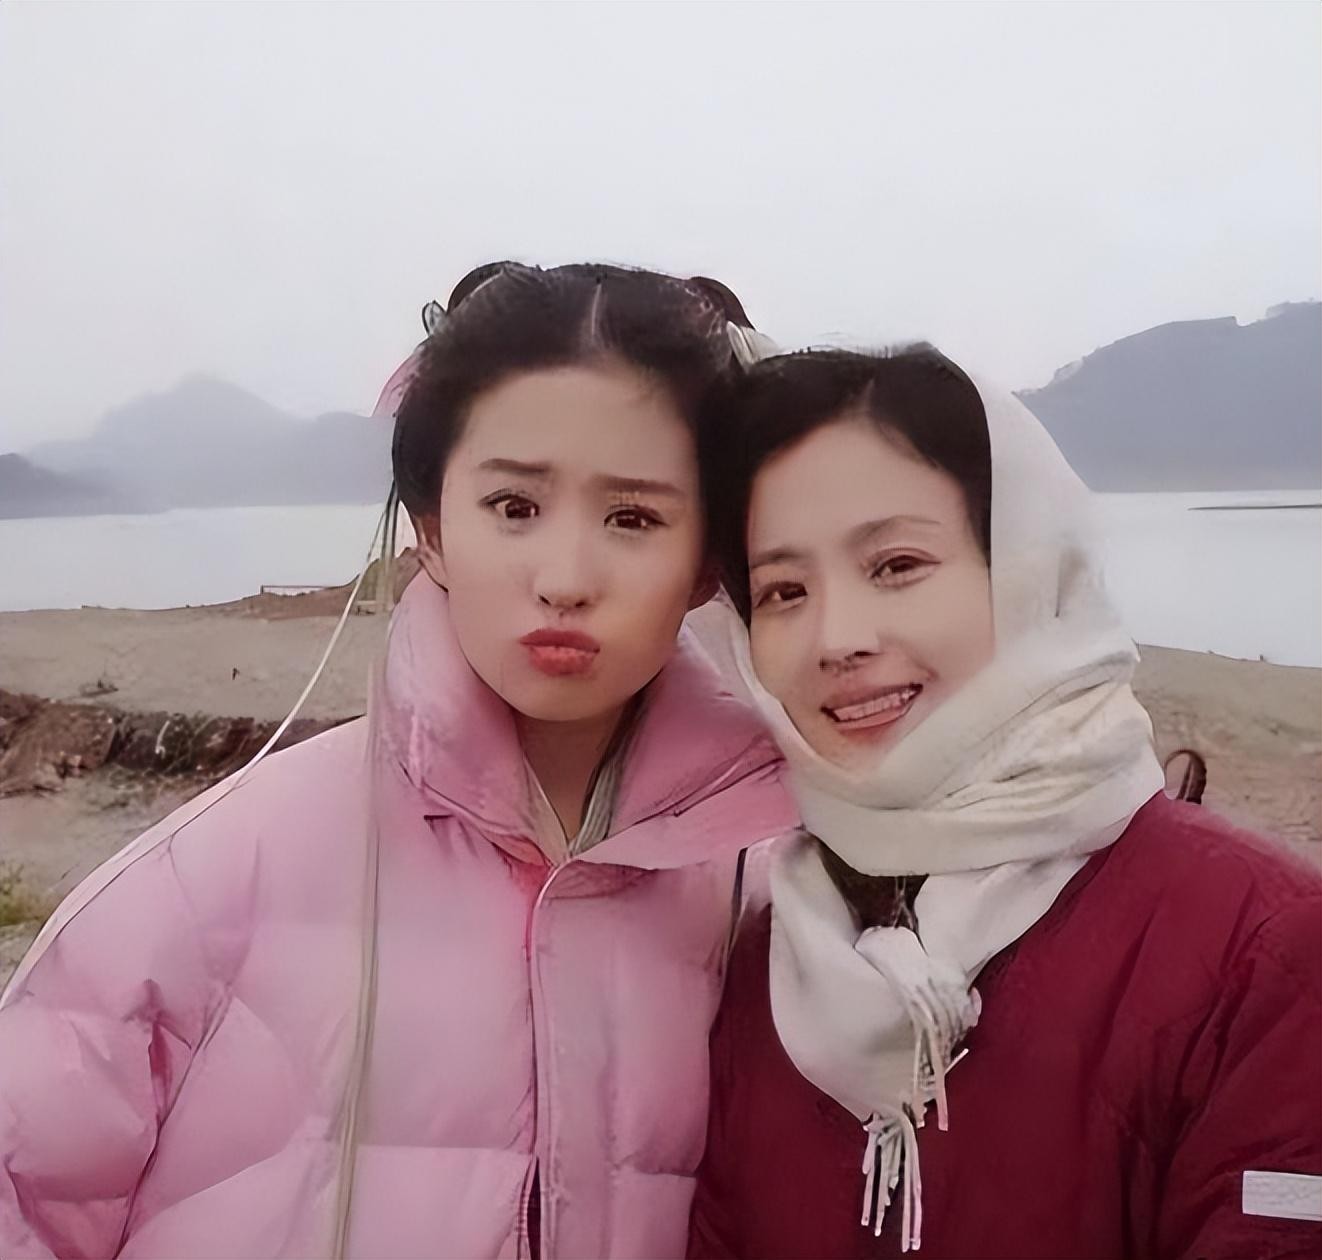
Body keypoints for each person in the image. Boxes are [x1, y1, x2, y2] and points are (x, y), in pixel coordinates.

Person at [0, 261, 797, 1259]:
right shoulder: (207, 884)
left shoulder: (778, 900)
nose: (564, 578)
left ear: (707, 565)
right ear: (431, 532)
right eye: (513, 507)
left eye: (632, 518)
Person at [688, 345, 1322, 1259]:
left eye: (897, 564)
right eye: (784, 591)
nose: (837, 638)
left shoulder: (1260, 948)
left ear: (1026, 569)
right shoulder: (771, 954)